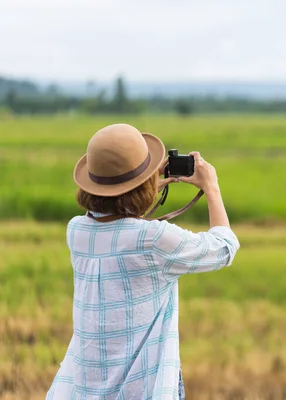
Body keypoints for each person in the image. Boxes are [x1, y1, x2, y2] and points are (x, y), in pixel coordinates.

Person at [46, 123, 240, 400]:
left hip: (81, 390)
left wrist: (143, 186)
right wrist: (211, 187)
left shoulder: (77, 230)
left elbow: (118, 223)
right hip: (140, 390)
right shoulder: (153, 240)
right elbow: (224, 248)